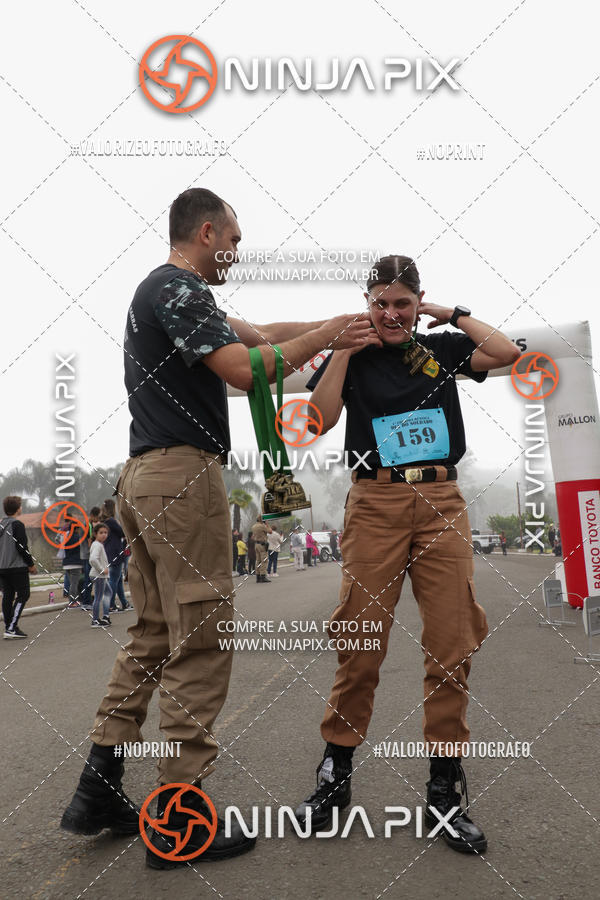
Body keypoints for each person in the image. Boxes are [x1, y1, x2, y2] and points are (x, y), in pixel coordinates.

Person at [60, 187, 377, 866]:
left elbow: (262, 335)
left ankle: (98, 785)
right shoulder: (178, 288)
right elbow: (245, 366)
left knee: (152, 633)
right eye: (233, 239)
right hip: (181, 477)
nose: (237, 251)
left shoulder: (169, 294)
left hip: (144, 477)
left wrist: (335, 324)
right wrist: (327, 338)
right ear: (206, 233)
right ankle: (176, 820)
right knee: (202, 640)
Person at [295, 254, 520, 854]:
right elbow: (317, 420)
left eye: (403, 302)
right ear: (367, 304)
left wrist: (450, 312)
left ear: (418, 303)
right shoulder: (354, 355)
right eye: (381, 303)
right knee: (361, 643)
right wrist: (344, 348)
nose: (391, 313)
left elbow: (505, 353)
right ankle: (335, 774)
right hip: (375, 503)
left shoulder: (441, 349)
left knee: (451, 644)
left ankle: (444, 791)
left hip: (441, 501)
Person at [0, 495, 37, 638]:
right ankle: (11, 628)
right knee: (24, 594)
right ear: (17, 509)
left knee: (8, 596)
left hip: (2, 568)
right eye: (20, 506)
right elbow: (22, 547)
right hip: (17, 567)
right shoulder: (17, 525)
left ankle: (9, 627)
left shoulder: (1, 524)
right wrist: (31, 564)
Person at [101, 499, 131, 612]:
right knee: (114, 580)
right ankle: (110, 605)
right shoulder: (112, 521)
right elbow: (123, 533)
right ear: (112, 508)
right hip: (116, 553)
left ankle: (124, 603)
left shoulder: (104, 522)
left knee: (118, 581)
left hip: (109, 552)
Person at [89, 523, 113, 628]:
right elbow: (93, 559)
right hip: (98, 575)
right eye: (101, 532)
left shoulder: (98, 544)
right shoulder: (97, 545)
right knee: (98, 598)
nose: (104, 535)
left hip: (99, 575)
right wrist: (102, 570)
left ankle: (105, 616)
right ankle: (95, 620)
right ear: (95, 534)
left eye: (106, 533)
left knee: (108, 592)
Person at [251, 515, 272, 583]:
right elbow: (270, 531)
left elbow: (252, 537)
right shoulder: (262, 526)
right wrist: (267, 524)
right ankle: (263, 576)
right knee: (264, 561)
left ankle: (258, 577)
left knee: (258, 561)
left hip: (256, 545)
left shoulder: (253, 526)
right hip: (262, 545)